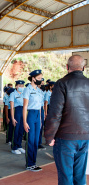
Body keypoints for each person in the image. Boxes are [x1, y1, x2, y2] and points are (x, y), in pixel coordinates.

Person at [45, 55, 89, 185]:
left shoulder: (62, 83)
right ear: (83, 68)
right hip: (85, 137)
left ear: (67, 67)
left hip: (66, 137)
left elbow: (55, 113)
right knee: (80, 176)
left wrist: (49, 136)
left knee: (66, 177)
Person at [23, 69, 43, 172]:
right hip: (30, 114)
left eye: (41, 78)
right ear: (33, 78)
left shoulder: (39, 91)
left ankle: (34, 163)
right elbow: (25, 107)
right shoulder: (28, 89)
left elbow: (40, 106)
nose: (40, 80)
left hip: (37, 115)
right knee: (30, 140)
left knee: (36, 141)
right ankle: (29, 164)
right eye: (39, 78)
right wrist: (24, 121)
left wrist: (40, 119)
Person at [10, 80, 25, 155]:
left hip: (23, 111)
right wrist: (12, 118)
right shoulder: (13, 94)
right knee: (16, 129)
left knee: (21, 130)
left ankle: (19, 145)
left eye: (22, 86)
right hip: (17, 111)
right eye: (19, 86)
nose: (21, 87)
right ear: (16, 86)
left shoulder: (24, 94)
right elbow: (12, 107)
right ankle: (14, 147)